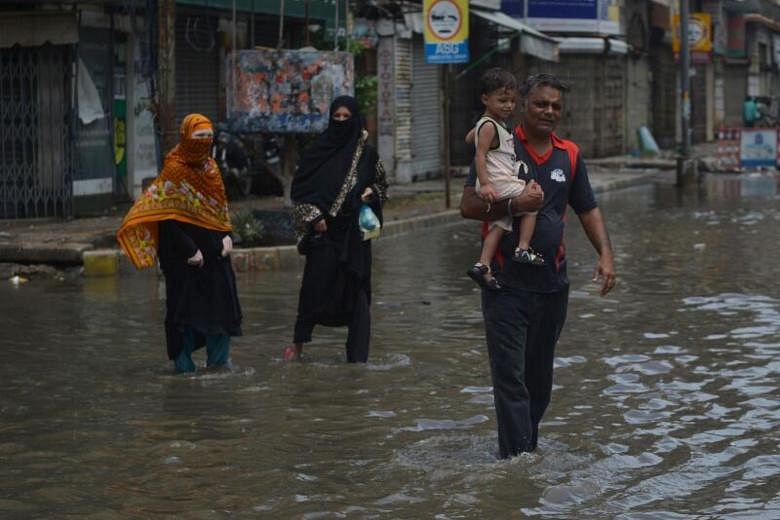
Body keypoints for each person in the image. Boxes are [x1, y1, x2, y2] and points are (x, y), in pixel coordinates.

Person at [460, 73, 616, 458]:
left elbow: (587, 209)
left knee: (539, 381)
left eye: (556, 106)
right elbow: (468, 205)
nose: (549, 111)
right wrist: (513, 206)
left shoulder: (570, 154)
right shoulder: (499, 144)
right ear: (521, 105)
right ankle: (518, 463)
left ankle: (524, 447)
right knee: (510, 379)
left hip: (551, 287)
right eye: (541, 104)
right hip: (504, 286)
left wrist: (606, 255)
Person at [117, 113, 242, 373]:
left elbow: (220, 209)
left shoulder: (211, 170)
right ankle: (184, 370)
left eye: (209, 136)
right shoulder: (174, 171)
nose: (205, 141)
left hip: (215, 255)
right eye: (199, 136)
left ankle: (219, 368)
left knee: (221, 310)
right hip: (184, 259)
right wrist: (190, 250)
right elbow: (165, 217)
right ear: (186, 137)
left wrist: (228, 235)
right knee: (183, 316)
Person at [286, 95, 388, 363]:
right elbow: (299, 189)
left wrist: (371, 193)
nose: (342, 122)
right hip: (324, 234)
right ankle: (298, 347)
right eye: (337, 117)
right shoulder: (318, 151)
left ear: (355, 119)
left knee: (358, 293)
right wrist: (314, 216)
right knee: (313, 289)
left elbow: (382, 186)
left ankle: (357, 360)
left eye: (346, 117)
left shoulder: (367, 154)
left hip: (354, 236)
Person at [467, 68, 543, 292]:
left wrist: (479, 127)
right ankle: (523, 247)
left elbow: (469, 138)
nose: (508, 106)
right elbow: (479, 154)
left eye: (512, 101)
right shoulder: (491, 126)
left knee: (500, 225)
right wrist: (486, 183)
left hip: (497, 183)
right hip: (498, 182)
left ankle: (482, 265)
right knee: (534, 198)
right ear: (485, 99)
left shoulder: (486, 124)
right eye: (502, 100)